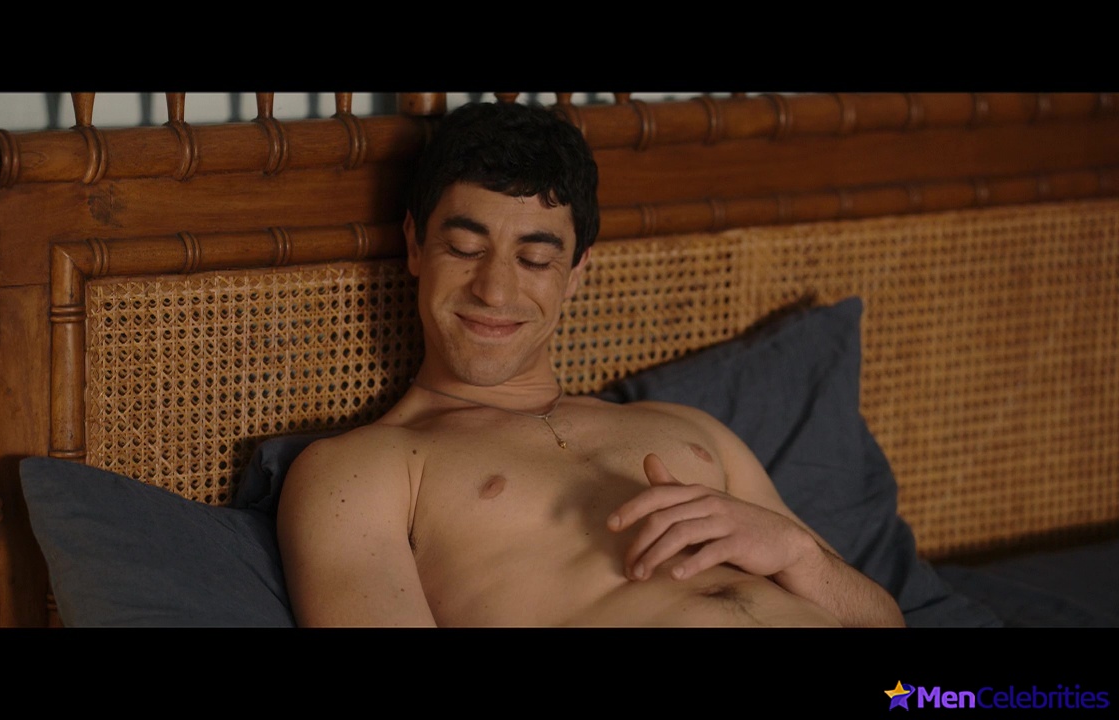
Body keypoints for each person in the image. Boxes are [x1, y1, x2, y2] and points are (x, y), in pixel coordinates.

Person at [276, 100, 905, 627]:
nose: (494, 291)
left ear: (576, 272)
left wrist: (796, 554)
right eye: (465, 248)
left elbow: (883, 621)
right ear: (415, 244)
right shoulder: (363, 470)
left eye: (535, 259)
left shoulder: (693, 430)